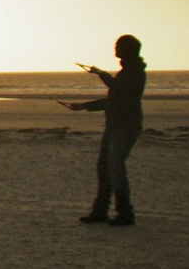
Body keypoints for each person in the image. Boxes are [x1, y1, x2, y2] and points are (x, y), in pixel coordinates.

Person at [59, 34, 147, 226]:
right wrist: (83, 106)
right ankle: (100, 211)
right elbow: (113, 100)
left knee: (115, 169)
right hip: (114, 127)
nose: (115, 48)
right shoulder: (127, 72)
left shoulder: (135, 72)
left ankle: (125, 213)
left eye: (118, 45)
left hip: (125, 128)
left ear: (128, 49)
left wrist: (101, 73)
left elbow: (121, 92)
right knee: (104, 168)